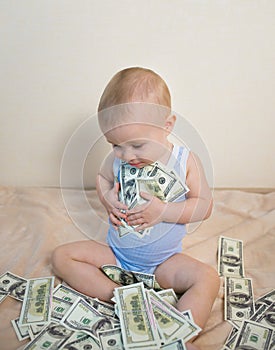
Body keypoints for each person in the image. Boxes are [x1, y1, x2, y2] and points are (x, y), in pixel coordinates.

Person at [51, 67, 220, 349]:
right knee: (61, 256)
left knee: (208, 278)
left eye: (137, 145)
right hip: (117, 258)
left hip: (163, 263)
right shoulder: (117, 160)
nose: (126, 155)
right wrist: (108, 200)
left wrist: (164, 211)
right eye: (115, 145)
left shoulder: (184, 162)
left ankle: (180, 336)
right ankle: (121, 298)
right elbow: (102, 179)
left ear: (167, 125)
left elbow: (205, 206)